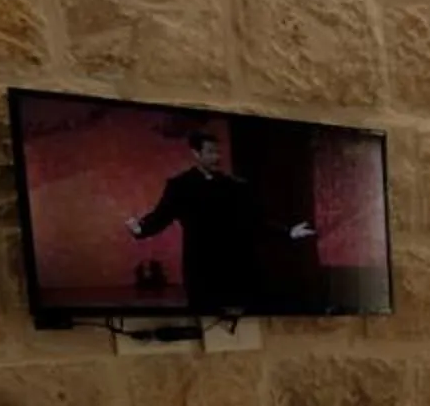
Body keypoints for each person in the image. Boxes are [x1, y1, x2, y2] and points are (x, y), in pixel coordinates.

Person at [126, 130, 315, 311]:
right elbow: (161, 216)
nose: (216, 157)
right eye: (210, 152)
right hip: (200, 267)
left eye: (218, 152)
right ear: (196, 153)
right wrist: (140, 229)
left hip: (235, 266)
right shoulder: (180, 186)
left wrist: (288, 232)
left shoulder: (234, 186)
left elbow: (255, 221)